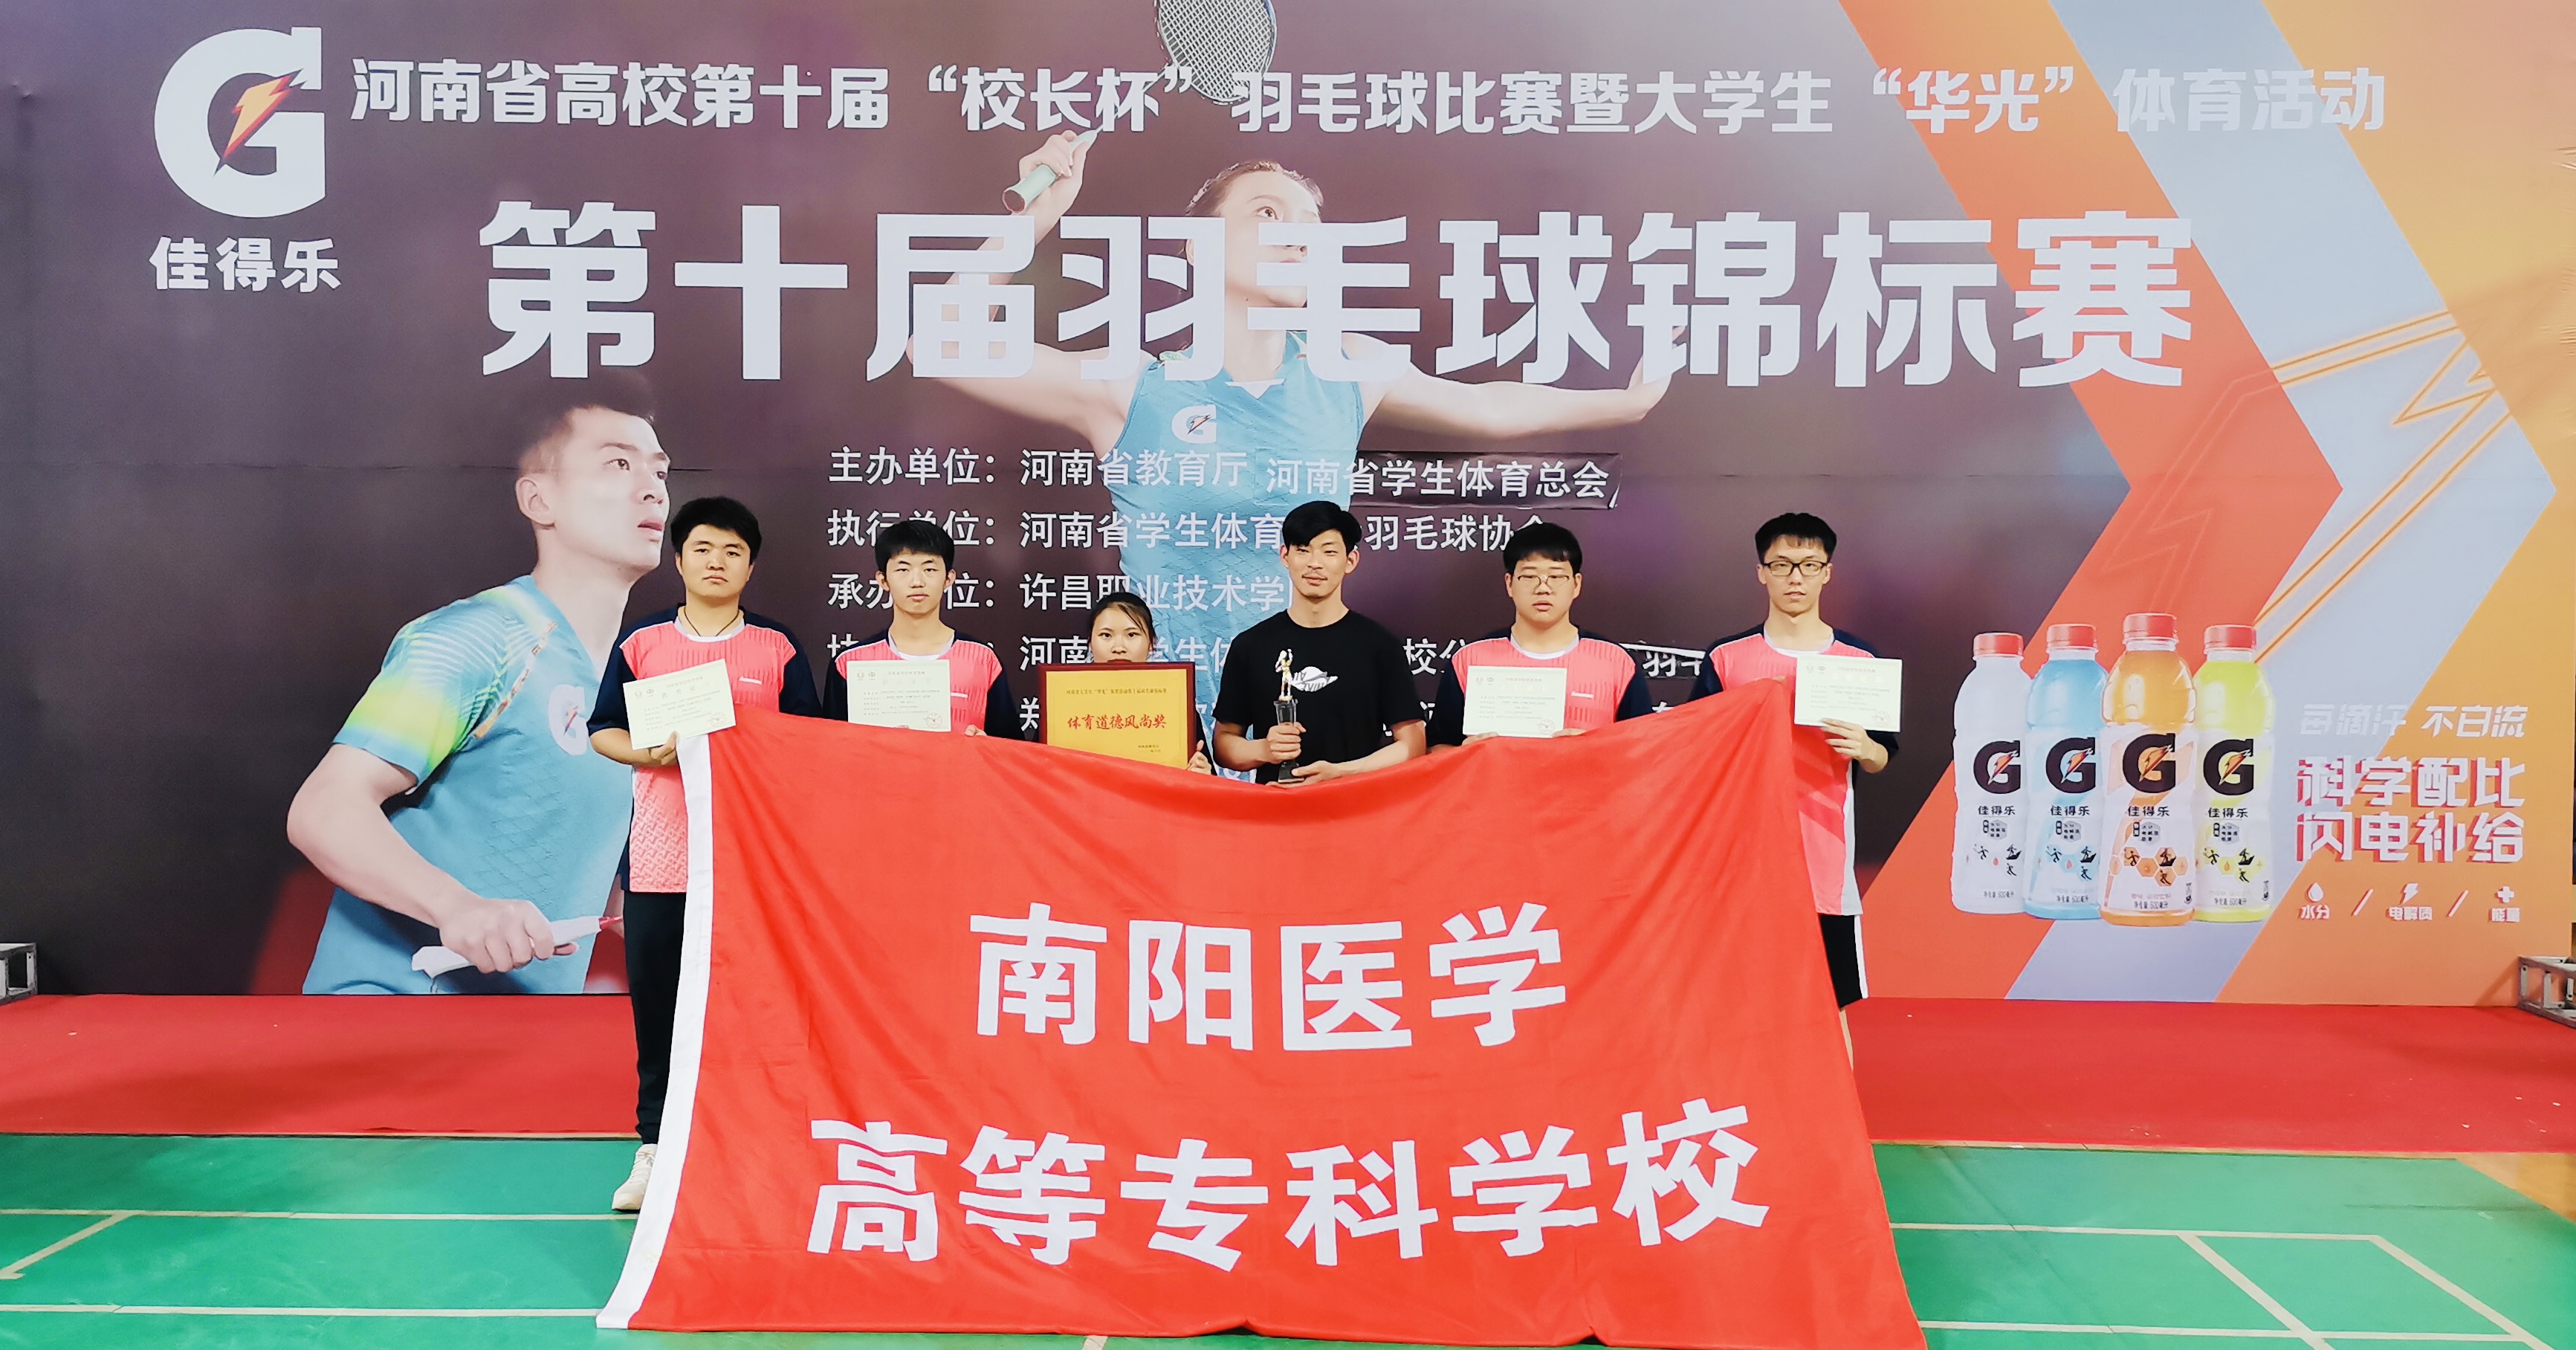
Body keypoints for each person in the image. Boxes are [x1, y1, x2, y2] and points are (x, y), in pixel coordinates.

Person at [912, 132, 1677, 707]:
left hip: (1304, 726)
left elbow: (1485, 404)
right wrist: (1035, 218)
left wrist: (1624, 402)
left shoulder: (1346, 369)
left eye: (1309, 223)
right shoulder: (1131, 385)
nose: (1294, 232)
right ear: (1196, 245)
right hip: (1164, 729)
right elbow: (939, 344)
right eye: (1267, 213)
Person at [288, 375, 667, 993]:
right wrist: (457, 908)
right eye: (618, 464)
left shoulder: (633, 686)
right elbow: (324, 809)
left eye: (659, 470)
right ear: (539, 500)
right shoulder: (479, 638)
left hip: (522, 1039)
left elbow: (563, 858)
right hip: (390, 1021)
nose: (652, 488)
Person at [585, 496, 821, 1211]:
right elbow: (603, 728)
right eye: (704, 549)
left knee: (754, 1009)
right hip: (662, 859)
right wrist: (646, 752)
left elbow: (809, 744)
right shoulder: (644, 642)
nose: (718, 563)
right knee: (658, 1009)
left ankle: (756, 1147)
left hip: (753, 866)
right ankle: (655, 1149)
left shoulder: (776, 647)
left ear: (750, 567)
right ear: (680, 560)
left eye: (733, 552)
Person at [1688, 512, 1894, 1030]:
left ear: (1828, 572)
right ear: (1762, 573)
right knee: (1739, 1007)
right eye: (1782, 565)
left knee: (1830, 1009)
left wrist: (1865, 747)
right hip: (1741, 863)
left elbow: (1882, 757)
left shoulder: (1858, 660)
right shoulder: (1727, 659)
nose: (1795, 577)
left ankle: (1832, 1091)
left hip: (1824, 860)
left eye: (1809, 565)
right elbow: (1691, 746)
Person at [1211, 501, 1423, 785]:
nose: (1315, 563)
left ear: (1350, 561)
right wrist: (1263, 749)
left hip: (1357, 805)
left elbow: (1413, 743)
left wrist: (1342, 773)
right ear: (1285, 556)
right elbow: (1224, 742)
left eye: (1329, 551)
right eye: (1303, 550)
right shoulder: (1250, 646)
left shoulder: (1380, 646)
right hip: (1275, 805)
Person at [1427, 522, 1651, 749]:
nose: (1543, 588)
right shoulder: (1470, 661)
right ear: (1510, 584)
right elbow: (1437, 748)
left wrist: (1595, 748)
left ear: (1576, 585)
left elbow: (1646, 750)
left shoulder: (1616, 663)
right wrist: (1466, 754)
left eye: (1556, 577)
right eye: (1530, 577)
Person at [823, 519, 1020, 737]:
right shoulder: (850, 663)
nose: (917, 581)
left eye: (929, 569)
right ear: (883, 580)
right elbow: (831, 748)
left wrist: (988, 746)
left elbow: (1012, 747)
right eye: (903, 569)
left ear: (949, 578)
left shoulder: (982, 660)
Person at [1083, 590, 1214, 774]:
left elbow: (1206, 785)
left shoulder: (1176, 709)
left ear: (1151, 643)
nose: (1118, 647)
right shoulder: (1064, 705)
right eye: (1106, 635)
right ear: (1090, 643)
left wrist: (1202, 774)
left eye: (1131, 635)